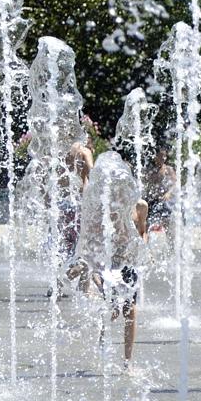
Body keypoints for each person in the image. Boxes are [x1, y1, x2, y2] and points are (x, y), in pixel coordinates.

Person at [67, 152, 148, 370]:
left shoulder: (140, 206)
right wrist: (86, 263)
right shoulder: (105, 207)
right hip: (110, 262)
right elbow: (92, 235)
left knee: (130, 310)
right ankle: (103, 343)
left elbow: (142, 232)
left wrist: (143, 249)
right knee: (112, 309)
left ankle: (127, 361)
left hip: (129, 262)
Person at [143, 146, 176, 237]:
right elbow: (145, 183)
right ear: (155, 157)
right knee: (146, 223)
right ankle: (145, 244)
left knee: (167, 222)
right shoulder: (150, 170)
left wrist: (169, 193)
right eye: (160, 156)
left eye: (164, 156)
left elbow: (175, 184)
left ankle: (171, 246)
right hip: (152, 199)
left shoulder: (168, 169)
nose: (162, 158)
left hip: (163, 200)